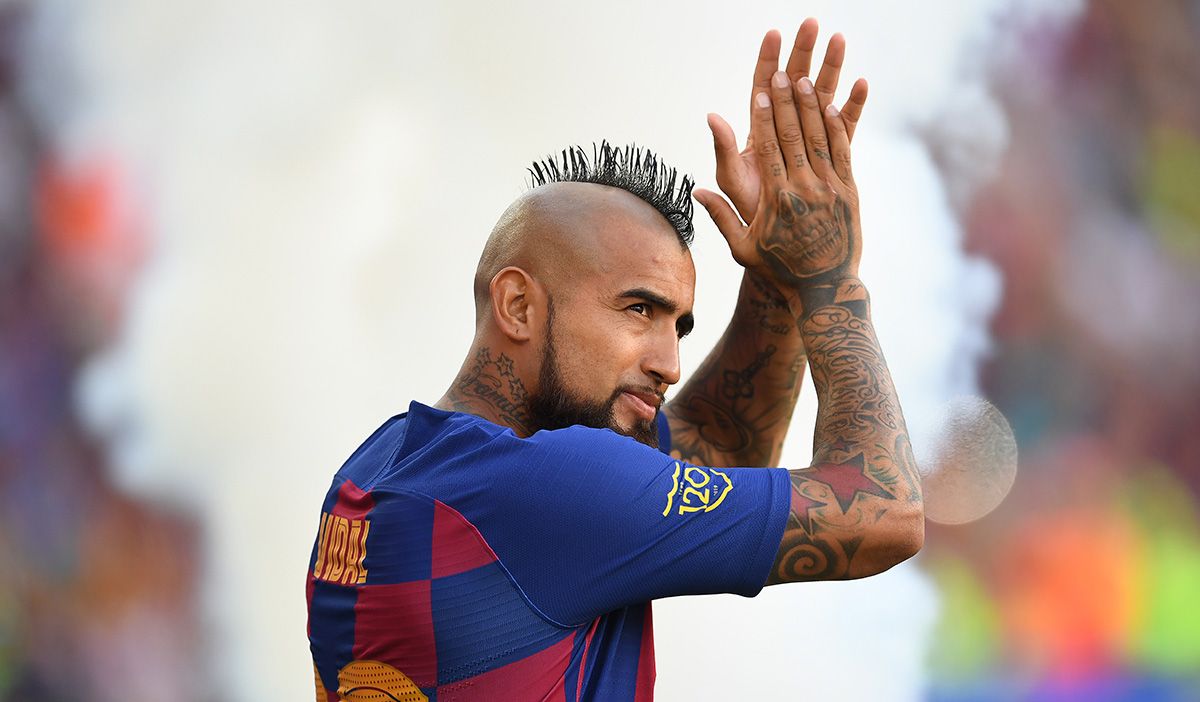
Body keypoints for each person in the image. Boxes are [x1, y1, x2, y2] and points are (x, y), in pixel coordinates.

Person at [307, 19, 923, 701]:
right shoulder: (552, 491)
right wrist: (827, 280)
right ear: (517, 305)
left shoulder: (379, 464)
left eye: (679, 326)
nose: (670, 364)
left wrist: (775, 277)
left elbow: (721, 443)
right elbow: (883, 510)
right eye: (638, 309)